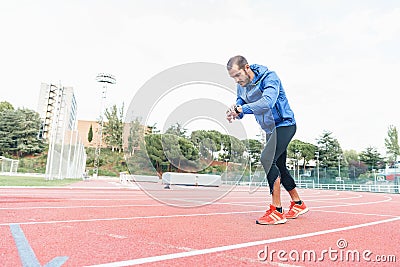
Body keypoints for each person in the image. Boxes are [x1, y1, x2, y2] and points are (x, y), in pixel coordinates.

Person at [226, 55, 308, 225]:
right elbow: (240, 105)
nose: (236, 80)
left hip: (285, 124)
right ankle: (298, 203)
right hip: (270, 130)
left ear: (247, 68)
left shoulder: (270, 77)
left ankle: (277, 210)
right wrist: (234, 111)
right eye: (232, 77)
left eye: (237, 75)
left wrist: (242, 108)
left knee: (266, 159)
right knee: (279, 166)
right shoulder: (242, 87)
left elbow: (268, 102)